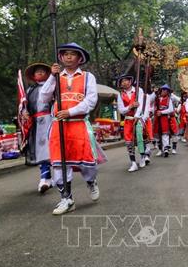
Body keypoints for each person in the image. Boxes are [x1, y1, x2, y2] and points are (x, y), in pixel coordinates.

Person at [40, 42, 101, 215]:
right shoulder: (56, 76)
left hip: (79, 124)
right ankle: (66, 199)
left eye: (72, 54)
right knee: (59, 164)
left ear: (79, 58)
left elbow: (90, 101)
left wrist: (70, 112)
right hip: (59, 126)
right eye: (65, 53)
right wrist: (52, 76)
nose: (68, 56)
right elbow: (44, 97)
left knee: (87, 164)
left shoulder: (88, 77)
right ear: (60, 57)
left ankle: (91, 182)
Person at [24, 62, 53, 193]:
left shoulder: (53, 86)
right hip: (36, 122)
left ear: (47, 74)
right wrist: (23, 112)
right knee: (40, 150)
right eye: (37, 71)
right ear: (34, 75)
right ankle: (45, 178)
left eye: (43, 71)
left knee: (51, 148)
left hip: (51, 119)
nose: (40, 73)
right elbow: (24, 106)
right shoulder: (30, 90)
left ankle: (55, 177)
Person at [116, 74, 145, 172]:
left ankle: (142, 157)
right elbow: (121, 110)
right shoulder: (120, 94)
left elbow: (141, 105)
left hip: (138, 118)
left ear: (130, 81)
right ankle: (133, 162)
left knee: (140, 139)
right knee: (129, 142)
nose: (124, 83)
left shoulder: (138, 91)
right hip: (128, 120)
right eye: (122, 81)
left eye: (125, 80)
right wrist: (130, 106)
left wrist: (137, 115)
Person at [155, 85, 176, 157]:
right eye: (163, 90)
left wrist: (162, 112)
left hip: (164, 118)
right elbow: (151, 107)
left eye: (166, 90)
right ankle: (160, 149)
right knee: (157, 134)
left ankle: (166, 148)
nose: (164, 91)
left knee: (165, 134)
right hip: (156, 118)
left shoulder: (169, 100)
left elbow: (171, 110)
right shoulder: (156, 99)